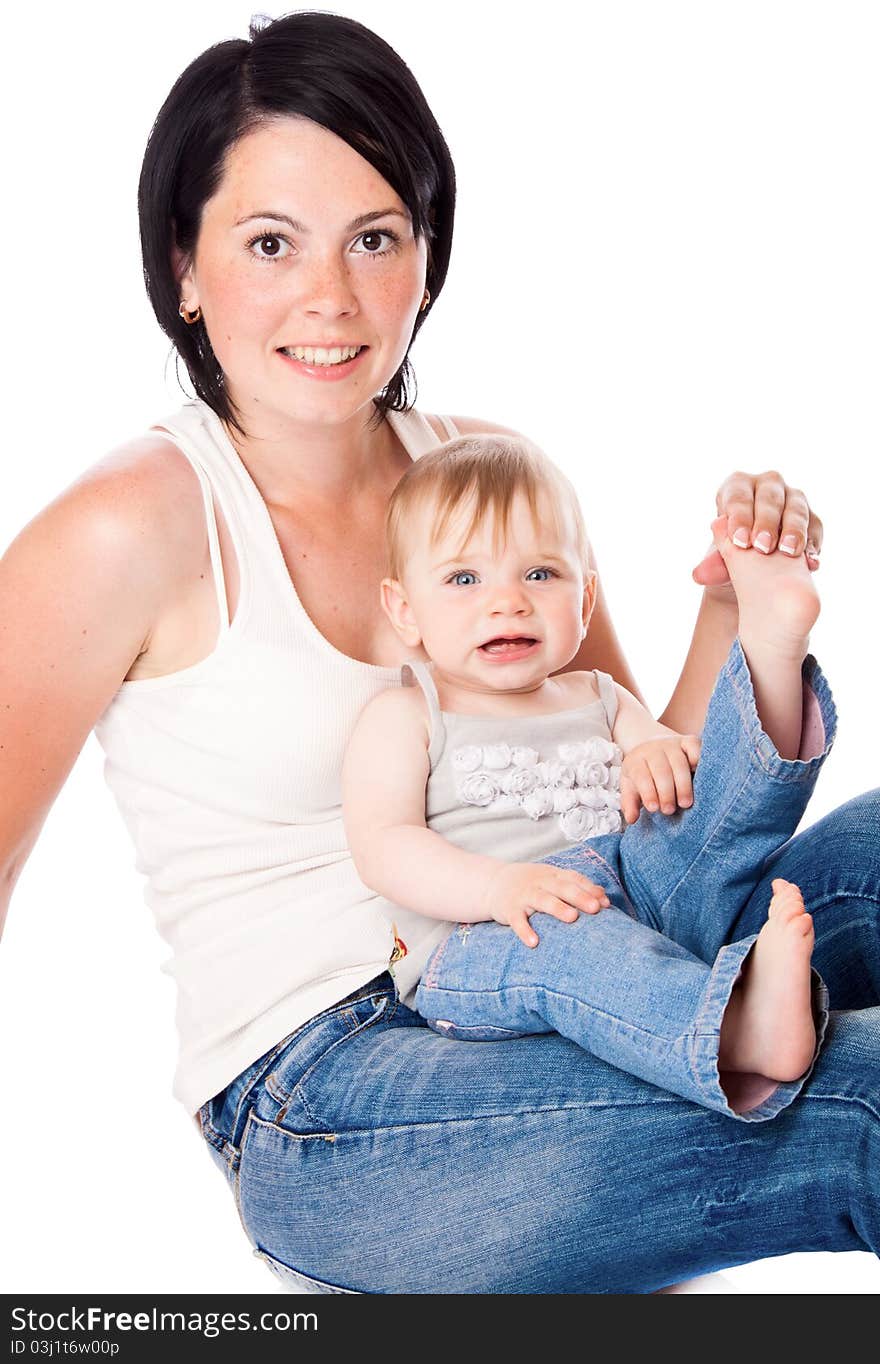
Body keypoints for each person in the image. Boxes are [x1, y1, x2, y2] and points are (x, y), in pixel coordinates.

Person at [1, 11, 878, 1294]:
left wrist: (731, 613)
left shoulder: (475, 472)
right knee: (858, 1107)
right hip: (336, 1089)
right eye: (268, 243)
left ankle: (728, 1018)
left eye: (375, 237)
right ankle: (738, 1032)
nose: (332, 298)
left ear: (425, 252)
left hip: (595, 938)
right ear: (182, 267)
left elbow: (635, 784)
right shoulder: (126, 526)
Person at [342, 433, 831, 1118]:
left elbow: (686, 782)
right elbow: (383, 846)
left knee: (698, 809)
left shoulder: (598, 697)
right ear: (404, 610)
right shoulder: (408, 715)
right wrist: (499, 885)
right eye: (463, 579)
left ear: (586, 598)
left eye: (540, 575)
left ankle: (772, 647)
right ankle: (733, 1029)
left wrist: (653, 755)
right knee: (574, 946)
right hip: (486, 941)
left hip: (630, 897)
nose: (507, 602)